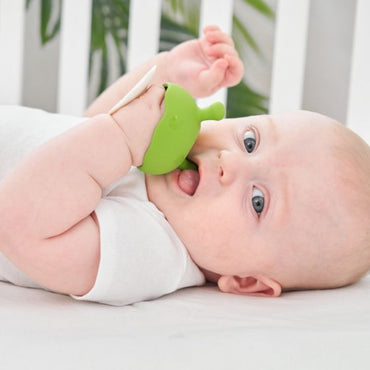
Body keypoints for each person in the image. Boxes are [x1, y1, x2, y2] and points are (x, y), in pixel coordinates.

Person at [0, 26, 369, 305]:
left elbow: (20, 226)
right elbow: (86, 129)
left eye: (258, 201)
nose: (230, 163)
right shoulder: (153, 167)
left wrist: (121, 139)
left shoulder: (150, 252)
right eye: (250, 142)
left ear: (245, 281)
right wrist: (166, 74)